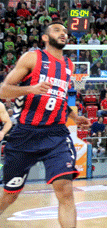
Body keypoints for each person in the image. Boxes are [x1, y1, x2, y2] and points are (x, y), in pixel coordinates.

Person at [0, 22, 90, 227]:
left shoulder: (69, 65)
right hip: (25, 133)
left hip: (56, 134)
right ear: (45, 37)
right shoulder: (32, 58)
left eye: (65, 31)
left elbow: (59, 98)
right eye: (57, 30)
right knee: (10, 195)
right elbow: (3, 90)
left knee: (65, 190)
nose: (63, 33)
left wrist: (74, 117)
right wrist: (30, 89)